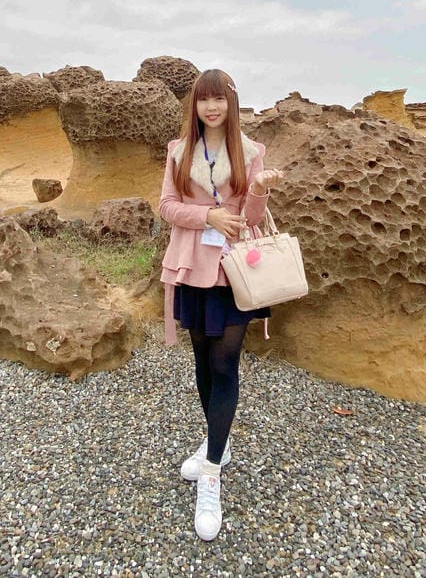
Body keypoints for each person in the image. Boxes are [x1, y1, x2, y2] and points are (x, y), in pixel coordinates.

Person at [158, 69, 283, 541]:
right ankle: (220, 443)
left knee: (226, 363)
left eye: (219, 99)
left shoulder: (251, 152)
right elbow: (167, 205)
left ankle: (211, 471)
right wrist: (205, 214)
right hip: (192, 264)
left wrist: (260, 189)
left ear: (230, 104)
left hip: (233, 268)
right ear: (194, 105)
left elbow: (251, 218)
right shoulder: (177, 151)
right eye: (203, 100)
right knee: (202, 361)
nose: (211, 107)